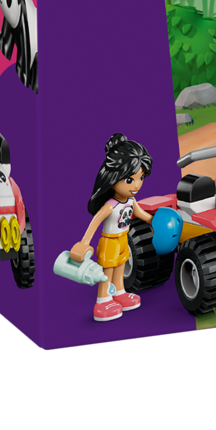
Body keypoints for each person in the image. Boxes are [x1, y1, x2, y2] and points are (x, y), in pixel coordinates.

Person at [69, 132, 156, 322]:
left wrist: (154, 221)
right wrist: (84, 242)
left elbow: (141, 214)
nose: (137, 185)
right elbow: (95, 222)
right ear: (112, 177)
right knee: (106, 272)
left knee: (120, 267)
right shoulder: (110, 206)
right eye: (130, 180)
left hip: (124, 239)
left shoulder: (131, 201)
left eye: (141, 178)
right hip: (109, 242)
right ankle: (103, 301)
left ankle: (119, 293)